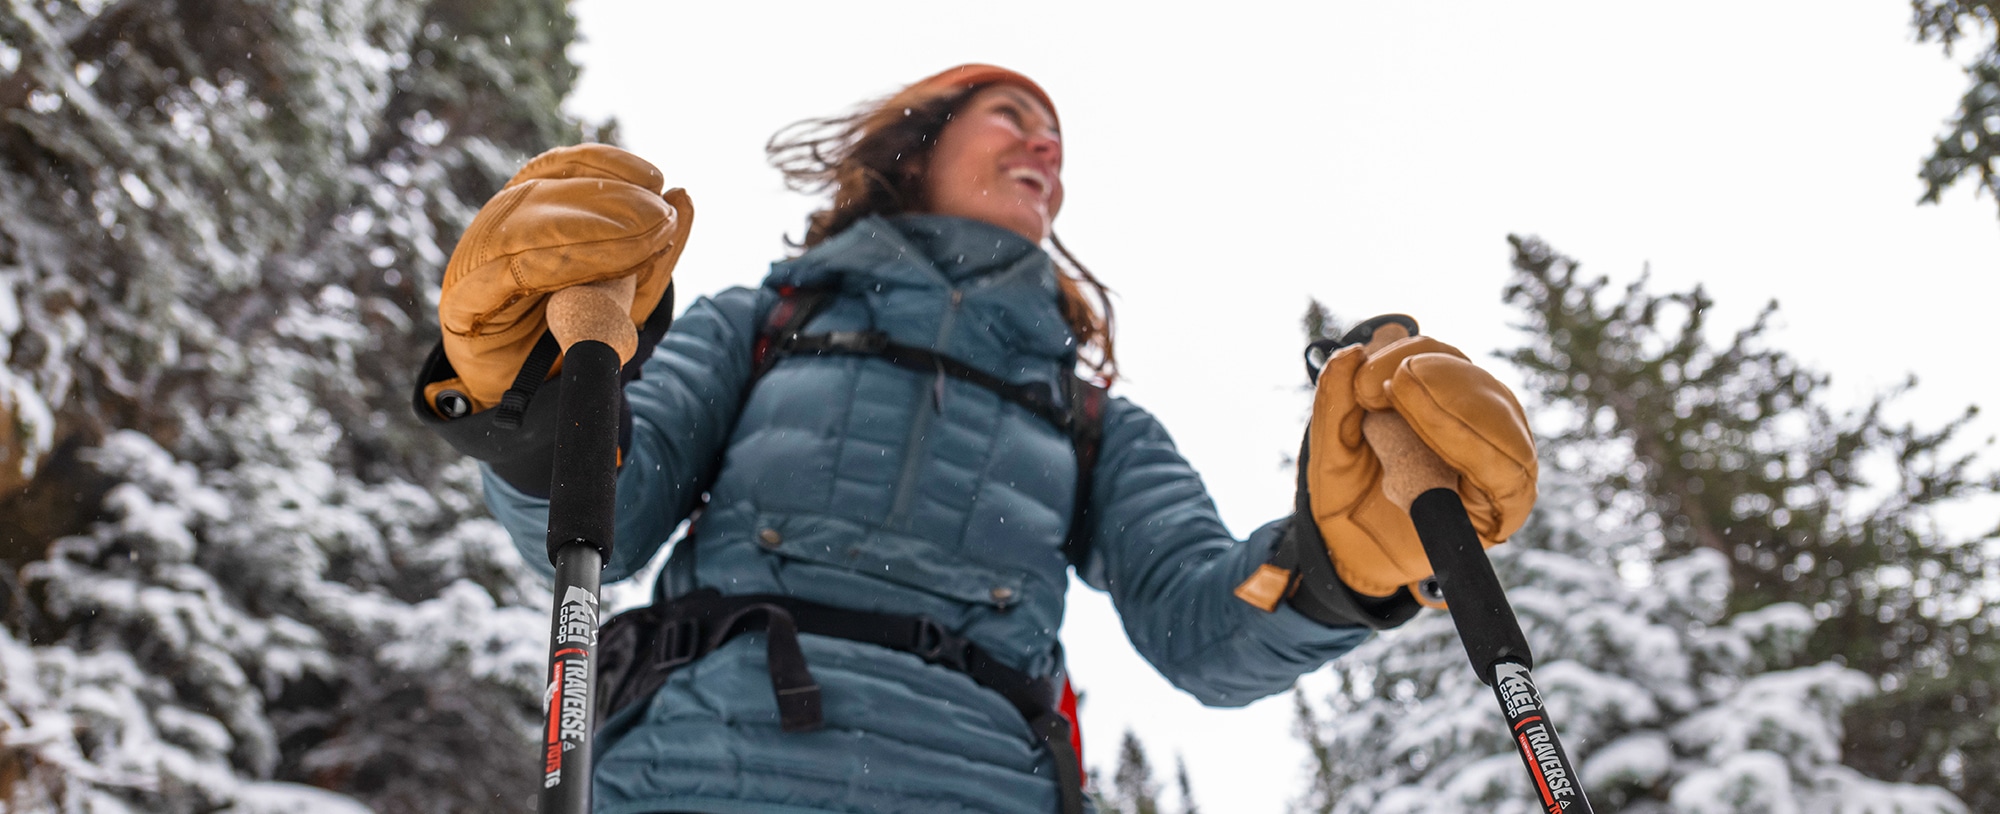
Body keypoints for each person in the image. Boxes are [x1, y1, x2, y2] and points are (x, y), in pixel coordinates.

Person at [413, 64, 1538, 814]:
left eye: (1055, 138)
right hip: (694, 771)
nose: (1044, 147)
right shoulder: (768, 323)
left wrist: (1344, 569)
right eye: (1012, 118)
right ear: (915, 146)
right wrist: (533, 392)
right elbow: (608, 508)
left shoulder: (1089, 417)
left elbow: (1201, 628)